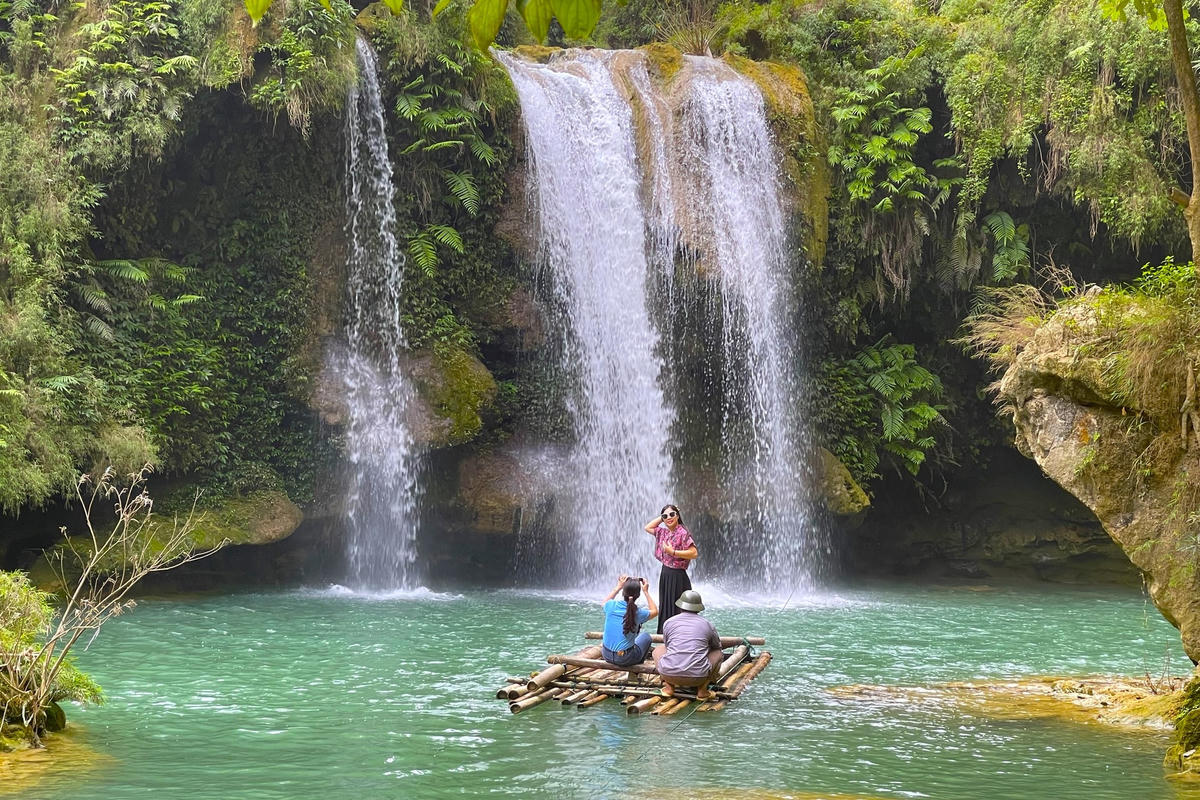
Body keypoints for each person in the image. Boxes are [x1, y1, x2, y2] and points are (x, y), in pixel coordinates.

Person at [653, 589, 723, 700]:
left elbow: (667, 645)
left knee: (657, 650)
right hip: (698, 677)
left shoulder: (669, 622)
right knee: (718, 653)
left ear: (680, 606)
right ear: (698, 608)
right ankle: (702, 690)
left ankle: (668, 686)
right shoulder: (707, 624)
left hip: (668, 674)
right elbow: (717, 647)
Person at [643, 504, 697, 634]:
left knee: (678, 608)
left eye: (672, 514)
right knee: (666, 606)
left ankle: (681, 636)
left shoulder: (683, 533)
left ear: (678, 516)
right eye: (665, 516)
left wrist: (673, 552)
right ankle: (666, 636)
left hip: (678, 576)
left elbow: (694, 553)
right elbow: (648, 527)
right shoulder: (664, 532)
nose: (669, 518)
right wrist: (662, 518)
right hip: (666, 574)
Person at [600, 574, 658, 668]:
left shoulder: (610, 606)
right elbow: (655, 611)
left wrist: (618, 586)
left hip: (606, 654)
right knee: (646, 637)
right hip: (626, 658)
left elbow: (604, 602)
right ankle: (636, 669)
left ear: (623, 592)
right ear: (638, 595)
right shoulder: (638, 613)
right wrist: (646, 592)